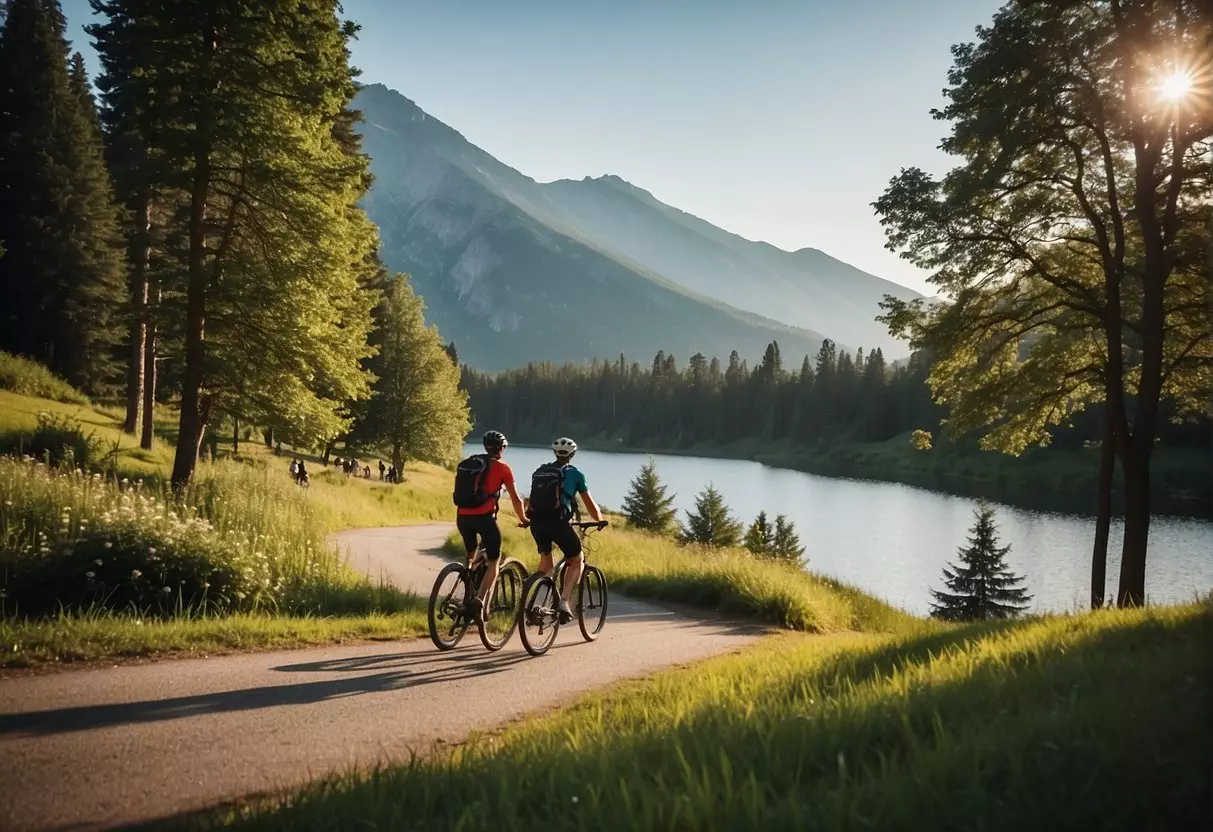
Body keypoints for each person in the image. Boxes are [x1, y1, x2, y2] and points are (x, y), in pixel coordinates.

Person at [527, 437, 605, 623]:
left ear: (555, 453)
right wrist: (599, 519)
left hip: (536, 523)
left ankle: (530, 602)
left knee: (546, 565)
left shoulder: (540, 471)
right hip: (558, 522)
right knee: (577, 558)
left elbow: (532, 502)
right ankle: (563, 603)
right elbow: (590, 504)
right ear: (573, 454)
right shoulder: (575, 474)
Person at [454, 430, 527, 620]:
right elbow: (516, 499)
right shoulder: (503, 468)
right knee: (494, 559)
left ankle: (466, 592)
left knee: (471, 559)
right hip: (484, 519)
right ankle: (478, 601)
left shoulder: (472, 463)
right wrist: (524, 519)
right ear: (501, 449)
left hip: (462, 517)